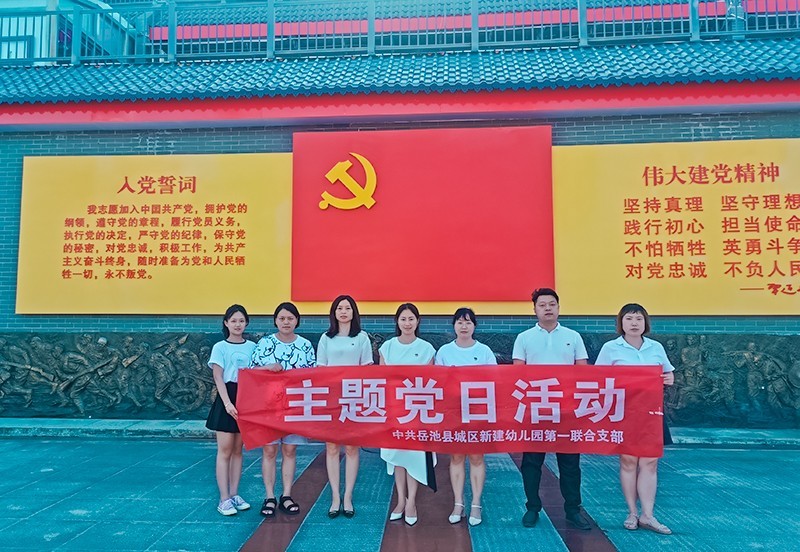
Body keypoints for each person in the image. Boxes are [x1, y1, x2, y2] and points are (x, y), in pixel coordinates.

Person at [512, 288, 592, 531]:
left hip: (566, 409)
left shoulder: (573, 336)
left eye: (552, 304)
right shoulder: (524, 338)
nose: (547, 308)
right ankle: (532, 507)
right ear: (534, 309)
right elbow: (517, 373)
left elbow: (582, 371)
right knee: (531, 462)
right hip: (535, 408)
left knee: (570, 463)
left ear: (558, 307)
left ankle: (573, 510)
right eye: (542, 305)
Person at [595, 303, 675, 535]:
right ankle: (632, 512)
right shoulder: (611, 348)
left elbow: (668, 373)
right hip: (624, 412)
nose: (634, 323)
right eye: (629, 318)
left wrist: (668, 378)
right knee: (629, 462)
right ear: (621, 322)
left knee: (650, 462)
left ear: (645, 323)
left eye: (639, 319)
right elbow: (598, 379)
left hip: (652, 412)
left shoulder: (655, 347)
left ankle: (648, 515)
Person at [249, 302, 317, 518]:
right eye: (282, 318)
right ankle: (269, 496)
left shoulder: (305, 345)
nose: (286, 322)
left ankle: (286, 494)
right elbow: (251, 372)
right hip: (268, 408)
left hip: (295, 407)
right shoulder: (265, 343)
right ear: (275, 321)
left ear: (297, 321)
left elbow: (314, 375)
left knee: (290, 449)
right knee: (269, 450)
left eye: (290, 318)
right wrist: (268, 368)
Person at [435, 307, 497, 527]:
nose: (464, 326)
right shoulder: (444, 351)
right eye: (460, 322)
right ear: (454, 325)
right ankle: (458, 503)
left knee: (477, 457)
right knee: (456, 457)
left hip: (478, 412)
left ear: (474, 326)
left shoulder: (484, 351)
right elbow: (438, 382)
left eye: (468, 322)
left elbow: (496, 380)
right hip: (453, 412)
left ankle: (476, 503)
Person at [379, 303, 437, 526]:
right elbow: (382, 380)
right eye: (403, 319)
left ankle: (412, 502)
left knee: (414, 457)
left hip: (417, 411)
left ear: (417, 321)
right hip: (394, 411)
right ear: (397, 321)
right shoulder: (387, 347)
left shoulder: (426, 348)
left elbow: (430, 382)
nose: (407, 323)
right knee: (398, 458)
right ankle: (400, 500)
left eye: (411, 319)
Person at [317, 295, 374, 519]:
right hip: (331, 399)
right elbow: (321, 369)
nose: (343, 311)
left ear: (353, 312)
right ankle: (335, 496)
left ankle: (348, 496)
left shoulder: (362, 337)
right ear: (334, 312)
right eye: (339, 308)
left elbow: (367, 369)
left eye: (347, 308)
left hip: (354, 398)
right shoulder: (326, 338)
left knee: (351, 448)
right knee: (332, 448)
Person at [205, 304, 257, 516]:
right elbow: (218, 377)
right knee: (225, 450)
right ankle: (224, 498)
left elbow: (257, 373)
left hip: (246, 398)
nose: (237, 324)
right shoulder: (220, 347)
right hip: (227, 397)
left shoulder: (253, 346)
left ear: (246, 323)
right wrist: (227, 403)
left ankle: (235, 494)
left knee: (238, 450)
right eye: (233, 321)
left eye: (241, 321)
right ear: (226, 323)